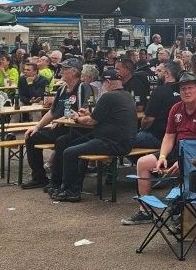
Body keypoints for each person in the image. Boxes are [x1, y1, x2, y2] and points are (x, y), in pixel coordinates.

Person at [123, 72, 196, 226]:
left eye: (190, 88)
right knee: (142, 162)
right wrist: (162, 157)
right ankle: (145, 211)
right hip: (178, 150)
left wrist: (185, 162)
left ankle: (184, 213)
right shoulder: (176, 108)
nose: (186, 92)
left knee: (188, 168)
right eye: (183, 89)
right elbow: (169, 136)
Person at [53, 69, 138, 202]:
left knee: (69, 151)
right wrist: (88, 114)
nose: (101, 86)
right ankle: (72, 188)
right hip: (125, 142)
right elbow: (100, 115)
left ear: (108, 82)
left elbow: (92, 121)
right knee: (77, 147)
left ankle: (71, 191)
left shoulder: (108, 96)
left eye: (103, 83)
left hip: (111, 143)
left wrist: (77, 118)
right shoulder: (127, 95)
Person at [19, 62, 91, 191]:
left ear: (74, 72)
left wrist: (62, 119)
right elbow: (52, 112)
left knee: (61, 142)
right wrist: (37, 127)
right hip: (61, 127)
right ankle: (39, 177)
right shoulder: (62, 89)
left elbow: (84, 110)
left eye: (65, 69)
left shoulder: (83, 87)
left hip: (78, 130)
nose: (61, 71)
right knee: (31, 136)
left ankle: (56, 181)